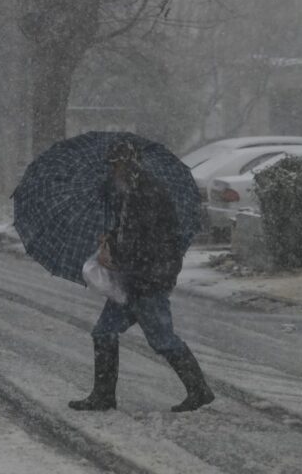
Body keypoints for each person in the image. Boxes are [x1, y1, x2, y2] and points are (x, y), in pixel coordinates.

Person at [69, 139, 214, 413]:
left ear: (127, 164)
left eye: (116, 165)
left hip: (148, 281)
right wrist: (110, 240)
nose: (112, 171)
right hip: (133, 280)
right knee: (104, 332)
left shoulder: (148, 193)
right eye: (111, 166)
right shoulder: (129, 192)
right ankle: (103, 396)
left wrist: (117, 254)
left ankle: (199, 390)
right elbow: (130, 234)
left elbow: (148, 241)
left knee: (162, 339)